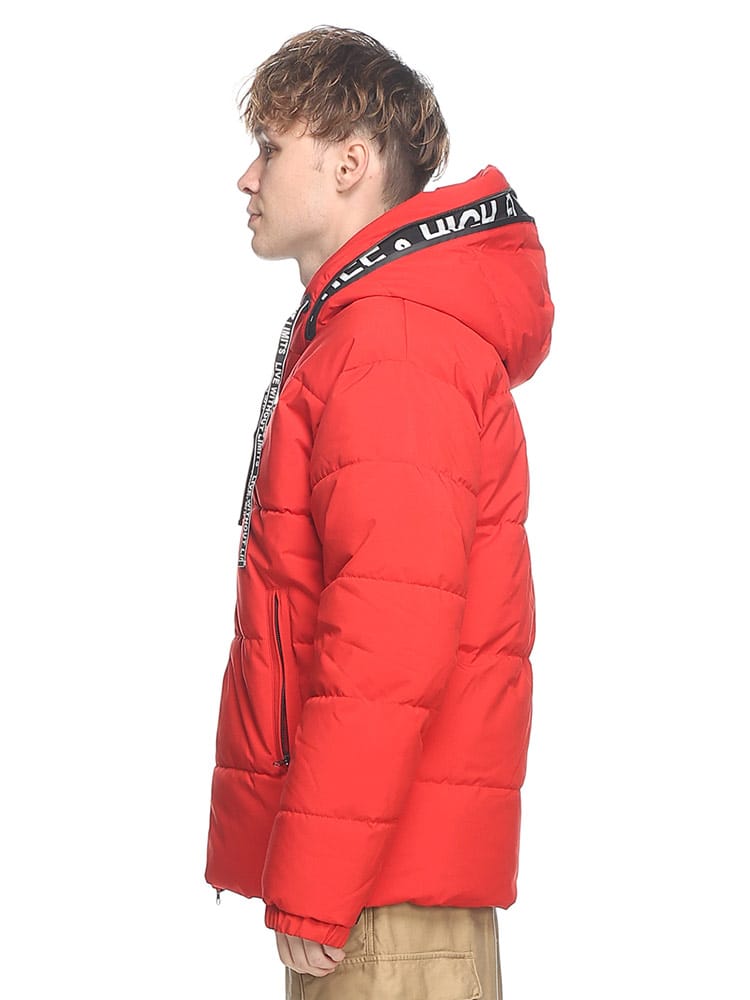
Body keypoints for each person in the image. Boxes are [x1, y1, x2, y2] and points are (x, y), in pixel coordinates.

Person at [204, 24, 554, 999]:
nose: (247, 177)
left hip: (379, 898)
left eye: (271, 148)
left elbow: (387, 641)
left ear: (350, 163)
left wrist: (317, 885)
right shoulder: (370, 332)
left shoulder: (391, 345)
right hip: (377, 884)